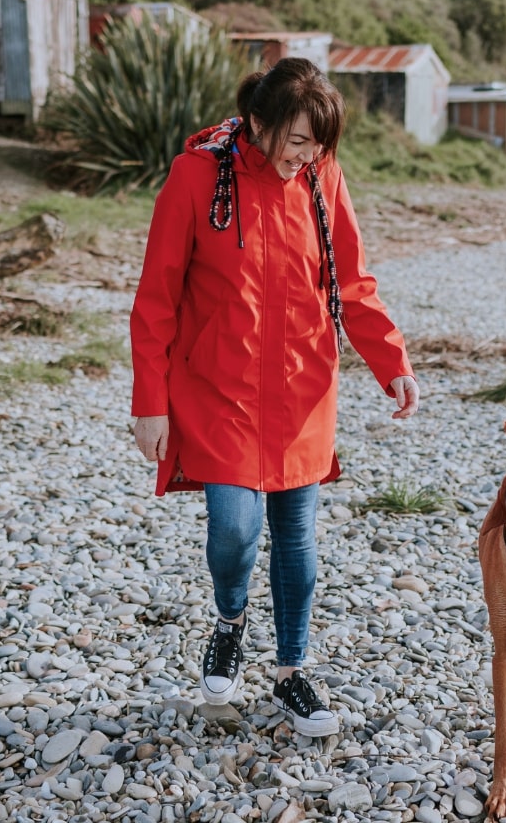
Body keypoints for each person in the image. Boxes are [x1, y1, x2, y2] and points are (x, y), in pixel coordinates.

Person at [130, 57, 420, 737]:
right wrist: (150, 400)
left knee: (297, 540)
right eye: (296, 140)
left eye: (319, 143)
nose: (307, 155)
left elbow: (352, 280)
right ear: (257, 125)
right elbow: (156, 298)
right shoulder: (195, 177)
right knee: (234, 529)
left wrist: (391, 361)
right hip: (217, 388)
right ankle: (229, 620)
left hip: (302, 388)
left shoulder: (321, 177)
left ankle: (291, 673)